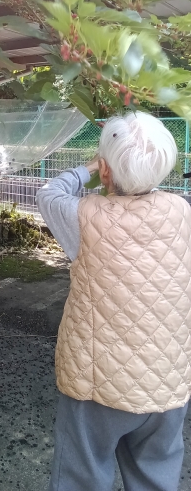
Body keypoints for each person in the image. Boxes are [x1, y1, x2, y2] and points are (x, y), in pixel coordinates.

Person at [36, 111, 191, 491]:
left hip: (95, 386)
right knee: (157, 478)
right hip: (168, 383)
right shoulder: (182, 212)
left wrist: (89, 167)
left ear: (105, 170)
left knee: (81, 479)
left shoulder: (82, 216)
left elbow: (48, 193)